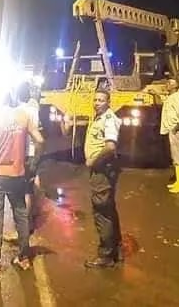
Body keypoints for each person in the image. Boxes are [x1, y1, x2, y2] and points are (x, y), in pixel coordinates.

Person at [0, 82, 44, 279]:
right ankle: (24, 258)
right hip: (18, 173)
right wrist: (34, 160)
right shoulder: (24, 116)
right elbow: (40, 141)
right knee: (20, 215)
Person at [65, 88, 123, 269]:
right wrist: (65, 122)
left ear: (108, 102)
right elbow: (68, 133)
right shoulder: (97, 118)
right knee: (108, 208)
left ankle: (105, 255)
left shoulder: (109, 120)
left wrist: (93, 160)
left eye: (101, 100)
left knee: (102, 211)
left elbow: (111, 146)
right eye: (95, 99)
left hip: (103, 169)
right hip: (101, 169)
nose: (97, 102)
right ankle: (116, 249)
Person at [161, 78, 179, 194]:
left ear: (175, 86)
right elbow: (165, 102)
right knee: (175, 157)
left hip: (176, 131)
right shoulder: (171, 97)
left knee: (177, 157)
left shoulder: (177, 98)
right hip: (173, 130)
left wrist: (175, 127)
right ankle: (178, 182)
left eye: (170, 83)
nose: (167, 84)